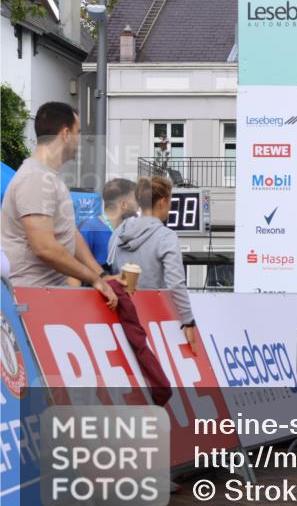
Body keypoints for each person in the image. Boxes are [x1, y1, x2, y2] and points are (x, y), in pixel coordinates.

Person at [0, 102, 117, 308]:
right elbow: (44, 247)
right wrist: (93, 279)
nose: (80, 140)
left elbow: (69, 233)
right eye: (78, 132)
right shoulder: (35, 178)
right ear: (65, 134)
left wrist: (101, 274)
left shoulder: (49, 177)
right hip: (30, 299)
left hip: (46, 295)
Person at [111, 176, 198, 351]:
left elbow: (111, 265)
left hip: (120, 316)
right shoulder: (166, 236)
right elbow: (175, 283)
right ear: (163, 202)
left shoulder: (119, 231)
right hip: (155, 319)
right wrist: (188, 321)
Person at [79, 178, 138, 274]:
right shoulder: (89, 228)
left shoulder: (128, 231)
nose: (139, 204)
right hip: (93, 288)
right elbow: (74, 274)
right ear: (124, 205)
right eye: (136, 199)